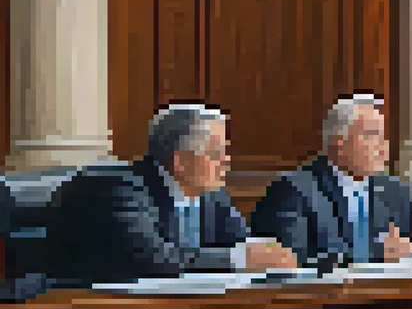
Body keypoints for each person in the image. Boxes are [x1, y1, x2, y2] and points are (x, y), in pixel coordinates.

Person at [47, 104, 295, 283]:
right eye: (216, 153)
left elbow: (240, 241)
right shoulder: (119, 188)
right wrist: (239, 259)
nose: (226, 162)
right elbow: (153, 258)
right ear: (181, 162)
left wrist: (268, 252)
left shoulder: (211, 194)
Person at [252, 94, 412, 268]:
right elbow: (293, 260)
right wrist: (376, 254)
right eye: (371, 135)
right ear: (339, 145)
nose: (382, 147)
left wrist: (403, 251)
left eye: (383, 137)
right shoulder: (294, 191)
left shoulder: (396, 192)